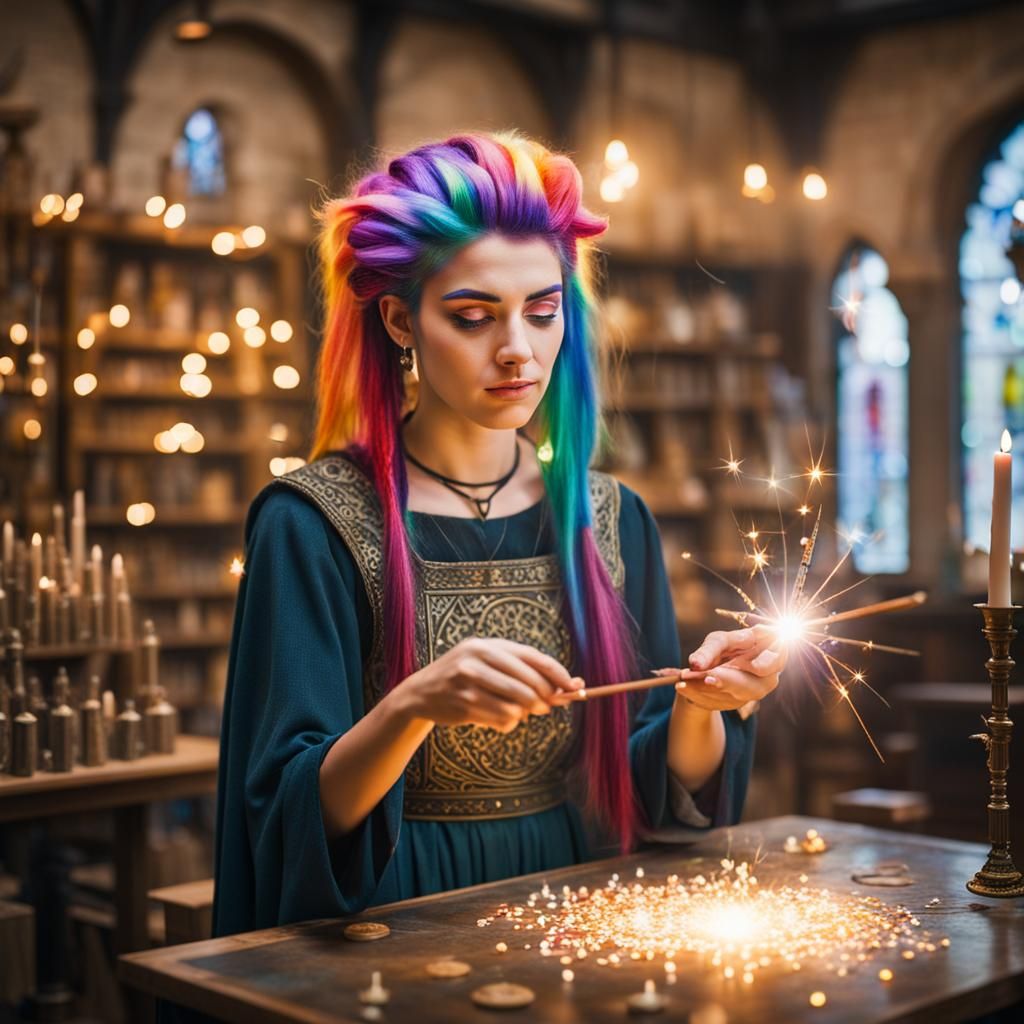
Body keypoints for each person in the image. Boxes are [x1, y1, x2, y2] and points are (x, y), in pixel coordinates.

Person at [211, 130, 785, 939]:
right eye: (474, 317)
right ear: (400, 322)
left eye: (542, 312)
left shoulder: (611, 519)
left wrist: (704, 709)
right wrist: (412, 707)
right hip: (394, 915)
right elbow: (287, 817)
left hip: (575, 901)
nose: (517, 350)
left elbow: (658, 798)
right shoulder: (312, 525)